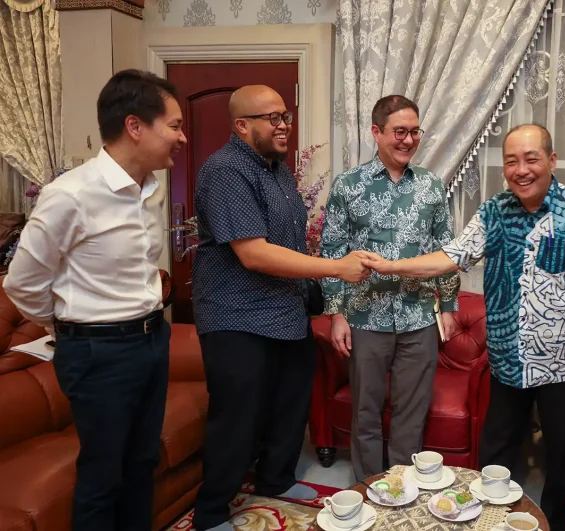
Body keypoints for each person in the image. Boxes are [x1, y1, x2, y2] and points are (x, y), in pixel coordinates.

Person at [362, 124, 565, 529]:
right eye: (511, 161)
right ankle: (489, 522)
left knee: (563, 454)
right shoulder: (494, 211)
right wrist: (392, 266)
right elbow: (451, 256)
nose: (521, 170)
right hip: (507, 357)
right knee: (496, 452)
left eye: (531, 159)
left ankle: (555, 524)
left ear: (552, 160)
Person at [2, 70, 186, 531]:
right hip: (98, 351)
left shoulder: (151, 189)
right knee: (104, 475)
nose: (182, 137)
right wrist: (66, 327)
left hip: (151, 340)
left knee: (142, 462)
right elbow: (22, 283)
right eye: (175, 125)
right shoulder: (70, 195)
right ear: (134, 126)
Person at [190, 85, 373, 531]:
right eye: (272, 118)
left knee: (290, 407)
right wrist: (336, 268)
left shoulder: (278, 170)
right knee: (237, 418)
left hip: (285, 312)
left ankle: (276, 480)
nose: (283, 125)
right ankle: (211, 512)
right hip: (237, 316)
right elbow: (254, 253)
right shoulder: (225, 170)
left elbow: (289, 245)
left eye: (285, 116)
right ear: (241, 125)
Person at [319, 95, 461, 481]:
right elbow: (331, 251)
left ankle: (402, 489)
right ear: (376, 132)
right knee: (365, 412)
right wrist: (336, 314)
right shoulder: (348, 185)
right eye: (400, 132)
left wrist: (449, 306)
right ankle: (368, 489)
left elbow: (446, 250)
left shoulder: (431, 185)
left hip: (419, 317)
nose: (408, 140)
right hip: (364, 317)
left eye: (415, 132)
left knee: (411, 414)